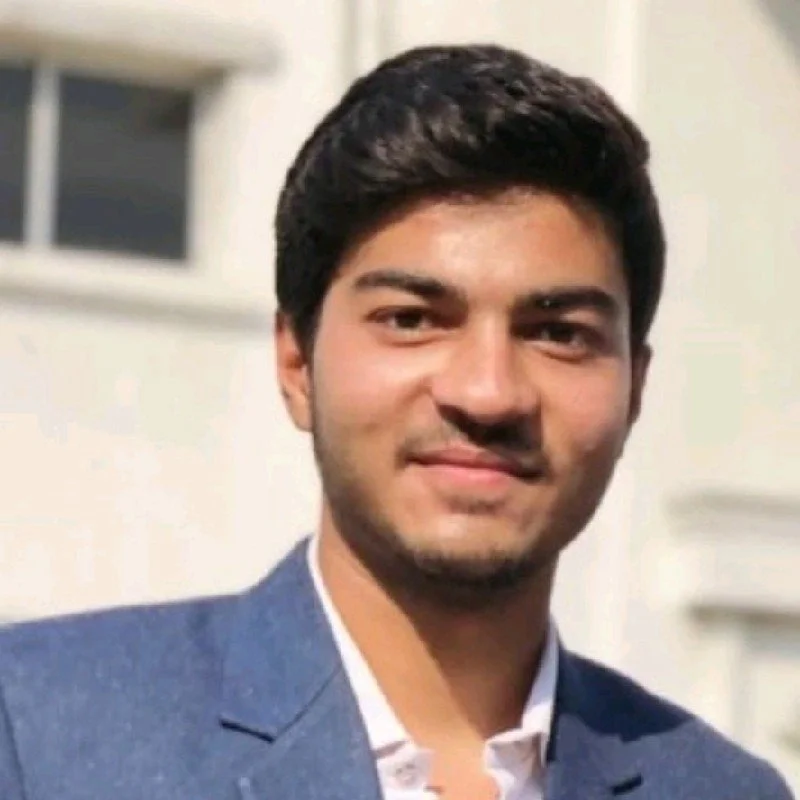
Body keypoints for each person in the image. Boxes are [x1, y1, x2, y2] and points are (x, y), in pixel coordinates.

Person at [0, 43, 792, 800]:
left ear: (635, 390)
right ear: (296, 363)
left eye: (558, 333)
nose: (488, 393)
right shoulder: (41, 732)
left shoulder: (722, 789)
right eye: (413, 319)